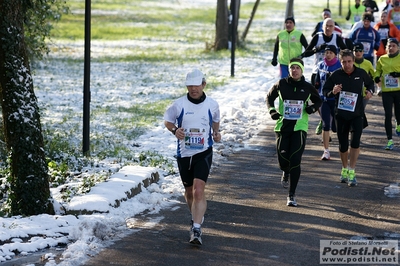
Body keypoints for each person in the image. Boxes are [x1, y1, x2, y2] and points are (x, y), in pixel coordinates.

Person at [163, 68, 221, 245]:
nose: (193, 89)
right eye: (190, 86)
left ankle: (196, 228)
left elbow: (216, 121)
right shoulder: (179, 105)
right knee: (189, 192)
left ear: (203, 84)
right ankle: (196, 215)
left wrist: (216, 133)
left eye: (196, 86)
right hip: (184, 153)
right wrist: (175, 130)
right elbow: (168, 120)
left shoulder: (212, 104)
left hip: (203, 152)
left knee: (198, 190)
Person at [266, 58, 322, 207]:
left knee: (295, 159)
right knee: (283, 159)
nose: (295, 70)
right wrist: (272, 111)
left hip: (300, 128)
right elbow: (269, 97)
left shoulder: (307, 87)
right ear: (289, 70)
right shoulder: (281, 84)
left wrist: (312, 108)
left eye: (297, 68)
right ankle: (285, 171)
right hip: (283, 127)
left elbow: (318, 100)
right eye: (292, 68)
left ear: (302, 70)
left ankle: (291, 195)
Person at [323, 49, 374, 187]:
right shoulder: (336, 75)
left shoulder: (361, 73)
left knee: (355, 143)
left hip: (357, 114)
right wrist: (332, 92)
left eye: (349, 62)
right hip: (341, 115)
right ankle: (344, 168)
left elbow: (371, 83)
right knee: (343, 144)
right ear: (340, 62)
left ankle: (352, 170)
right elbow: (325, 91)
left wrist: (370, 91)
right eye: (344, 62)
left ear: (353, 61)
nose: (347, 65)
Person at [314, 45, 342, 160]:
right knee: (326, 125)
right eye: (327, 52)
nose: (328, 55)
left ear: (335, 54)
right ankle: (326, 151)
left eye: (331, 52)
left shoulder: (340, 65)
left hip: (336, 100)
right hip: (324, 99)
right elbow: (316, 81)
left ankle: (343, 147)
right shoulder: (321, 65)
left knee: (337, 127)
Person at [302, 18, 347, 86]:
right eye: (326, 25)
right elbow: (305, 54)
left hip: (333, 71)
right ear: (322, 27)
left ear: (334, 28)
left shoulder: (337, 38)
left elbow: (346, 53)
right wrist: (317, 49)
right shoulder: (317, 37)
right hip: (317, 71)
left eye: (331, 26)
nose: (328, 28)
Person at [374, 38, 400, 150]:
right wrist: (376, 77)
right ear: (386, 48)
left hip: (398, 91)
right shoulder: (382, 59)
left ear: (398, 47)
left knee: (399, 115)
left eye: (393, 46)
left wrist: (398, 74)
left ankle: (398, 124)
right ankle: (390, 140)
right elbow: (378, 70)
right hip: (386, 91)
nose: (391, 48)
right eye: (389, 46)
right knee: (388, 115)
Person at [353, 42, 375, 107]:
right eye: (356, 51)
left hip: (364, 93)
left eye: (360, 51)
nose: (358, 53)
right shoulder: (349, 62)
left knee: (361, 112)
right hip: (351, 93)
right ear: (353, 52)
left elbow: (373, 76)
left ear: (363, 52)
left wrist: (370, 90)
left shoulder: (368, 63)